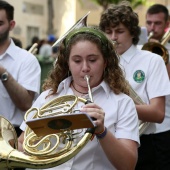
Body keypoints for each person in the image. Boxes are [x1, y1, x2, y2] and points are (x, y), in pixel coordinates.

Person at [17, 26, 140, 170]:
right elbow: (22, 143)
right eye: (77, 61)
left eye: (92, 60)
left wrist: (102, 131)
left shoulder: (122, 103)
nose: (85, 68)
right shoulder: (48, 97)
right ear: (67, 63)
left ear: (105, 62)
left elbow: (128, 165)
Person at [99, 2, 170, 170]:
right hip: (106, 141)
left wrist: (118, 108)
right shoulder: (98, 61)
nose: (114, 37)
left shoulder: (152, 60)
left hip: (143, 142)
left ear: (133, 32)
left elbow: (158, 113)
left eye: (120, 31)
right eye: (108, 32)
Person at [0, 0, 41, 140]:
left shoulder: (27, 60)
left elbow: (26, 104)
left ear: (11, 25)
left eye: (0, 23)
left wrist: (2, 72)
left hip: (12, 136)